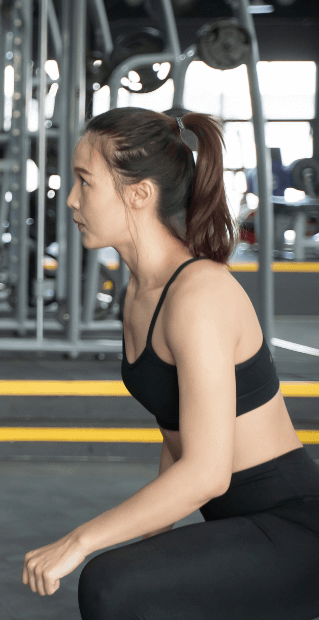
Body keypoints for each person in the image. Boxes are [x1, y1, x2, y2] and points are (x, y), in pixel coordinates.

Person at [22, 107, 319, 620]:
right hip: (242, 524)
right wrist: (151, 540)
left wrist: (80, 541)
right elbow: (177, 432)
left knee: (111, 584)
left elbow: (207, 473)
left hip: (294, 528)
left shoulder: (199, 294)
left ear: (139, 193)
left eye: (84, 182)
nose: (70, 199)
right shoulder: (141, 292)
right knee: (132, 578)